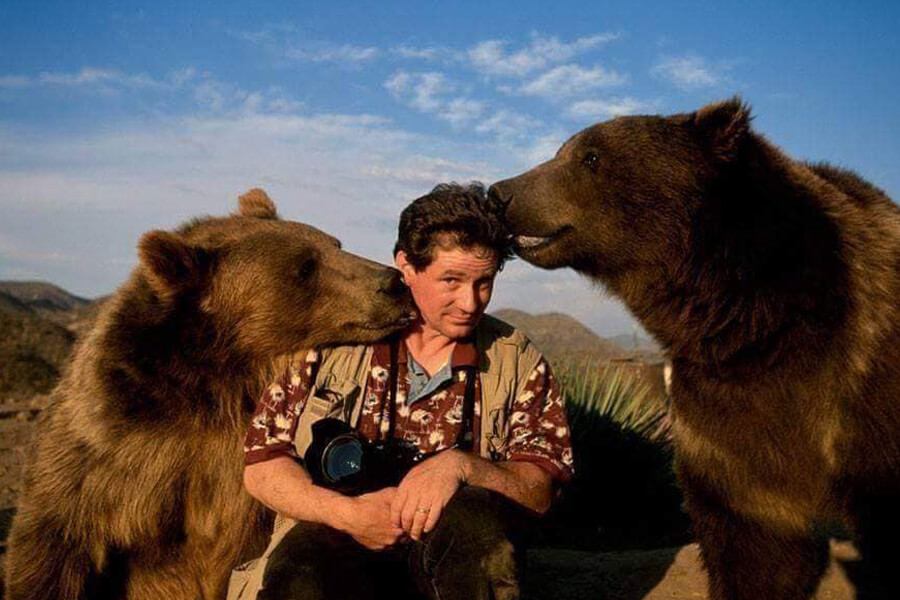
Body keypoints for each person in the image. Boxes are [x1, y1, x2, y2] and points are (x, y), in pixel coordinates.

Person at [232, 183, 574, 600]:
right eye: (451, 280)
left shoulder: (516, 359)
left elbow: (540, 487)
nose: (470, 302)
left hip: (449, 563)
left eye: (483, 282)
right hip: (339, 537)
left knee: (478, 534)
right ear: (406, 266)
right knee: (301, 571)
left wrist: (461, 467)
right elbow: (263, 465)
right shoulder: (333, 343)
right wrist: (348, 514)